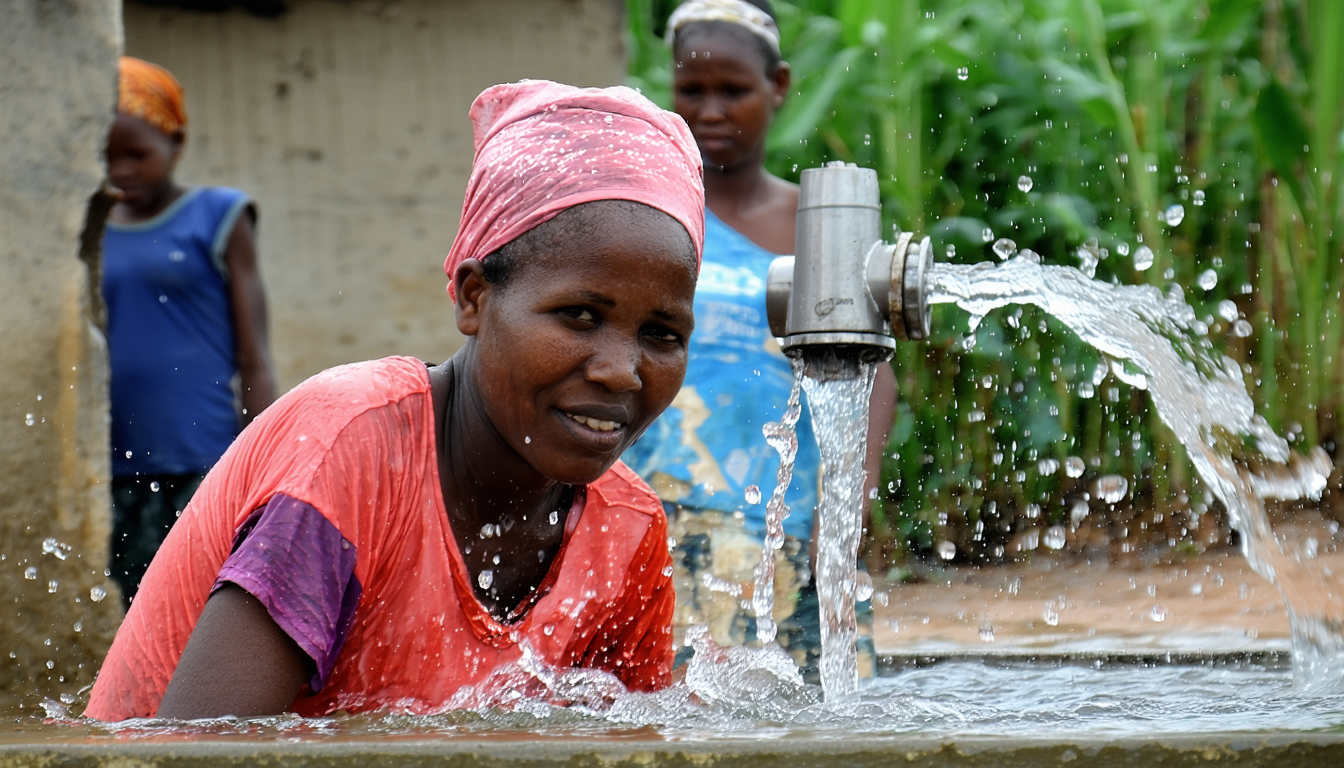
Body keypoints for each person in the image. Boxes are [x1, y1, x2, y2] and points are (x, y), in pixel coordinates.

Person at [84, 79, 706, 721]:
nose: (620, 372)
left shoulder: (629, 529)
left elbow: (625, 750)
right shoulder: (353, 449)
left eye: (663, 334)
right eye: (579, 315)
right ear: (472, 297)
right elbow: (200, 754)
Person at [620, 0, 898, 677]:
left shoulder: (817, 224)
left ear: (777, 87)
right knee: (658, 697)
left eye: (733, 90)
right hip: (655, 515)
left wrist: (849, 498)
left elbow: (874, 370)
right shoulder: (649, 217)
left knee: (813, 705)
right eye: (692, 92)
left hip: (787, 521)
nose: (710, 110)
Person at [102, 57, 277, 606]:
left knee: (206, 595)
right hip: (119, 455)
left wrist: (262, 454)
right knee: (136, 595)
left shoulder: (218, 214)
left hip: (203, 447)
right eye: (106, 157)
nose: (122, 170)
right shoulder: (92, 230)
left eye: (138, 154)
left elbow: (255, 352)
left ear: (176, 143)